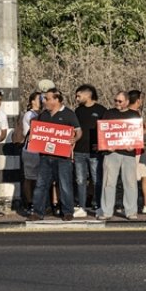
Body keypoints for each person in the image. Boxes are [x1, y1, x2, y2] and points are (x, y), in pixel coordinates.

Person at [29, 88, 81, 221]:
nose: (44, 101)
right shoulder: (43, 115)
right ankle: (38, 212)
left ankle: (67, 212)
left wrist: (74, 139)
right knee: (41, 184)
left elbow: (78, 131)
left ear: (56, 99)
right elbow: (38, 131)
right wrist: (33, 137)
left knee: (65, 185)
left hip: (63, 158)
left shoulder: (69, 114)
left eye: (47, 98)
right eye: (44, 99)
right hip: (45, 156)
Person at [98, 92, 141, 220]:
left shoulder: (134, 115)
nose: (117, 103)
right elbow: (103, 132)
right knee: (108, 183)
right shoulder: (109, 113)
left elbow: (137, 133)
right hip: (111, 153)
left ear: (127, 102)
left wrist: (133, 145)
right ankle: (106, 211)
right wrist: (106, 145)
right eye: (115, 100)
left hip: (128, 153)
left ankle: (131, 211)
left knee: (130, 183)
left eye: (120, 101)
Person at [73, 84, 108, 218]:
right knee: (80, 180)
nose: (77, 98)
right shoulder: (78, 111)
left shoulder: (101, 110)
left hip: (95, 152)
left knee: (97, 180)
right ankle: (82, 207)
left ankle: (99, 206)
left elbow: (106, 130)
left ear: (88, 95)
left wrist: (102, 145)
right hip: (79, 151)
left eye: (79, 95)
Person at [15, 91, 42, 215]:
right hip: (31, 149)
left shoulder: (41, 114)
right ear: (32, 101)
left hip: (40, 149)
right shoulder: (29, 115)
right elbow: (33, 127)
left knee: (39, 178)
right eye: (39, 99)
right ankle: (30, 202)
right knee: (30, 178)